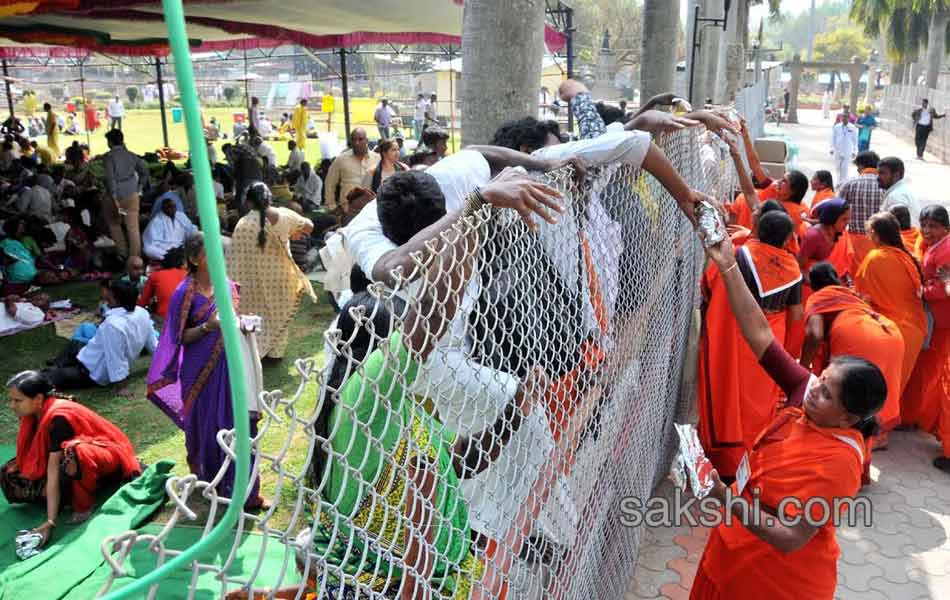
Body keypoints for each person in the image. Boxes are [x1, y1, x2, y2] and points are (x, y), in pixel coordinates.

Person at [691, 235, 886, 600]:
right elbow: (761, 335)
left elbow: (789, 538)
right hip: (733, 548)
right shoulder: (806, 394)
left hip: (775, 580)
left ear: (848, 418)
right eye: (821, 380)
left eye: (827, 393)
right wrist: (729, 266)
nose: (815, 389)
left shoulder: (840, 462)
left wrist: (724, 496)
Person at [147, 233, 267, 508]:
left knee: (241, 427)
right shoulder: (183, 294)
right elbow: (178, 338)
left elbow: (232, 321)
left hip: (233, 367)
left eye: (221, 254)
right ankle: (216, 488)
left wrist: (243, 325)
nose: (218, 260)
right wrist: (207, 327)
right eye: (209, 254)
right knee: (210, 429)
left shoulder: (226, 287)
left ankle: (249, 494)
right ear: (193, 259)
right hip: (200, 373)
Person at [698, 210, 802, 479]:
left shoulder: (740, 255)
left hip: (737, 337)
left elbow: (712, 283)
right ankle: (750, 459)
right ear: (788, 238)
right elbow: (797, 315)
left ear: (756, 228)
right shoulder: (793, 269)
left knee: (730, 398)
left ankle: (725, 461)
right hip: (771, 342)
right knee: (760, 405)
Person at [2, 371, 141, 548]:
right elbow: (36, 458)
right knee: (10, 474)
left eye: (17, 400)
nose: (12, 406)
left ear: (37, 399)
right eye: (11, 400)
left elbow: (53, 470)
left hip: (106, 455)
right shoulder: (33, 414)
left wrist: (51, 520)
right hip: (69, 461)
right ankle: (65, 495)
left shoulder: (59, 417)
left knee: (74, 453)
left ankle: (84, 505)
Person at [800, 263, 904, 454]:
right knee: (866, 402)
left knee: (846, 401)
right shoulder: (849, 293)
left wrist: (803, 367)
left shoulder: (820, 296)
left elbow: (814, 334)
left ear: (813, 285)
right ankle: (869, 448)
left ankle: (848, 460)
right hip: (891, 333)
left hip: (858, 335)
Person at [227, 182, 316, 360]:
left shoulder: (243, 224)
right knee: (277, 313)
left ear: (249, 203)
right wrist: (294, 233)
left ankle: (255, 350)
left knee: (255, 311)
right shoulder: (285, 215)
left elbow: (234, 258)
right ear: (269, 198)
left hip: (252, 279)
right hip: (281, 277)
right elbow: (309, 226)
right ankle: (275, 353)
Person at [855, 212, 927, 414]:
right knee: (897, 383)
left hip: (889, 330)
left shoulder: (876, 258)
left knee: (883, 381)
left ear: (876, 235)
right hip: (914, 330)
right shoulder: (907, 255)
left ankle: (881, 430)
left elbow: (862, 294)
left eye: (869, 233)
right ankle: (887, 424)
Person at [901, 205, 950, 471]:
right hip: (938, 323)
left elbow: (945, 289)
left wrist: (925, 289)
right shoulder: (936, 244)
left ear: (946, 228)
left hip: (943, 324)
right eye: (925, 225)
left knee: (936, 379)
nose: (927, 231)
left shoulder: (946, 250)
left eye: (933, 226)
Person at [44, 280, 156, 390]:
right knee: (76, 343)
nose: (107, 298)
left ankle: (54, 371)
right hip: (90, 357)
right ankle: (57, 365)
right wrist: (166, 361)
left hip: (92, 373)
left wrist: (121, 385)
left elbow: (115, 357)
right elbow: (153, 344)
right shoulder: (142, 313)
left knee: (51, 377)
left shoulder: (113, 324)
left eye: (110, 296)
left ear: (117, 300)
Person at [103, 129, 149, 258]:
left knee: (114, 224)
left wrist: (114, 197)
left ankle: (122, 254)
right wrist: (139, 188)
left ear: (110, 142)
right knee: (133, 228)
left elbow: (110, 178)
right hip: (131, 195)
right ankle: (135, 258)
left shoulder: (108, 157)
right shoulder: (132, 155)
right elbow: (145, 172)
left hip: (114, 196)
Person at [837, 151, 884, 270]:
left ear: (861, 166)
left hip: (855, 240)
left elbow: (837, 209)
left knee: (857, 274)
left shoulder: (850, 183)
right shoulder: (885, 185)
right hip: (879, 238)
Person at [323, 128, 380, 220]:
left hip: (371, 211)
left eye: (360, 139)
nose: (357, 143)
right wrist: (332, 206)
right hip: (347, 210)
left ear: (367, 140)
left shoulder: (377, 159)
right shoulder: (341, 159)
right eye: (354, 139)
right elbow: (329, 183)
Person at [142, 194, 198, 261]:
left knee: (200, 237)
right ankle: (169, 258)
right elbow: (152, 242)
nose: (172, 209)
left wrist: (196, 236)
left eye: (174, 206)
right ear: (163, 209)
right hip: (165, 250)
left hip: (181, 248)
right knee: (148, 249)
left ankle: (176, 257)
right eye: (169, 207)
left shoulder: (181, 216)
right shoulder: (157, 220)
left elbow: (191, 230)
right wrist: (167, 250)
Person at [138, 245, 187, 321]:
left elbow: (141, 304)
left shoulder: (155, 275)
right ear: (183, 263)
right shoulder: (191, 276)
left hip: (163, 320)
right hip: (188, 322)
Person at [0, 218, 39, 294]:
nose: (22, 231)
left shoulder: (17, 242)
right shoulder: (5, 243)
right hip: (17, 281)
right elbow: (6, 260)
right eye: (20, 229)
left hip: (30, 279)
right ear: (13, 229)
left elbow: (27, 258)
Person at [878, 156, 920, 226]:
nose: (878, 177)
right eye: (878, 173)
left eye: (882, 173)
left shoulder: (896, 197)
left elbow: (899, 226)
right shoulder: (900, 190)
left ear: (896, 175)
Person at [830, 113, 857, 185]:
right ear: (841, 118)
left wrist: (855, 151)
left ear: (848, 118)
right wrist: (831, 148)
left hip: (848, 150)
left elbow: (855, 140)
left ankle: (843, 182)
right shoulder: (837, 127)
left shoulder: (852, 127)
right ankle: (839, 180)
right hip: (838, 149)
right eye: (843, 117)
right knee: (838, 167)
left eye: (846, 118)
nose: (844, 119)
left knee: (845, 167)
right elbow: (833, 138)